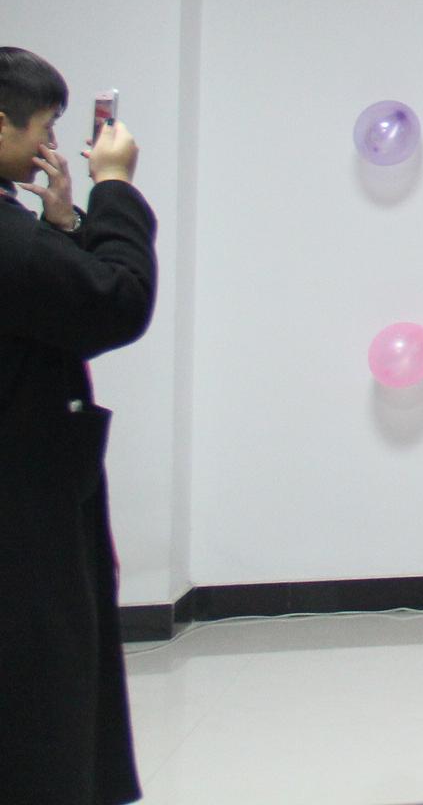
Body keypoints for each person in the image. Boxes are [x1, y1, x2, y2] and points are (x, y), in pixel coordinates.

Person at [1, 50, 154, 805]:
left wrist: (63, 223)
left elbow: (52, 317)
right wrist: (115, 189)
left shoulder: (19, 232)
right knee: (40, 688)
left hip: (31, 486)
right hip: (20, 509)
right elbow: (113, 303)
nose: (52, 146)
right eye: (44, 127)